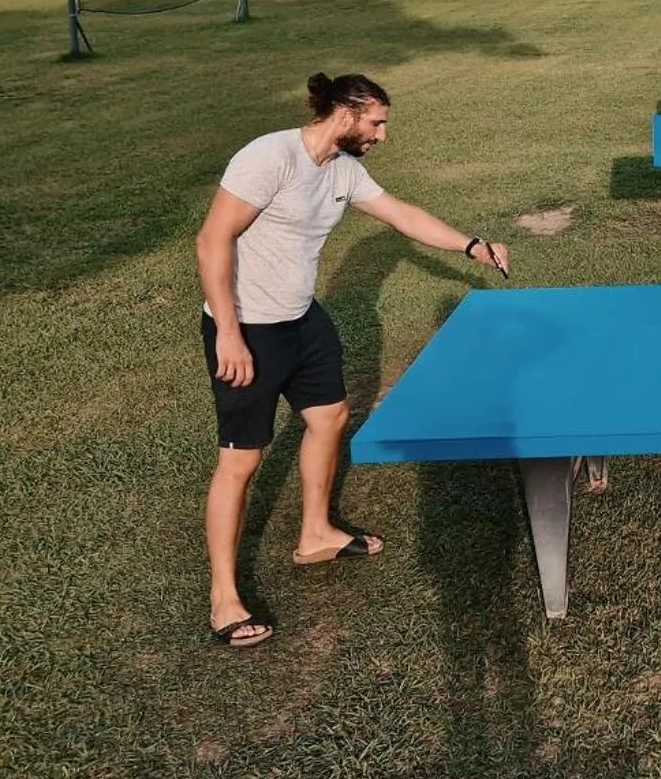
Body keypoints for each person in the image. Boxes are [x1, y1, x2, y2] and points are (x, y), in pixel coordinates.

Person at [197, 72, 510, 647]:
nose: (383, 135)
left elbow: (400, 214)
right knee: (242, 460)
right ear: (345, 113)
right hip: (247, 328)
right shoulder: (269, 158)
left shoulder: (341, 170)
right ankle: (223, 598)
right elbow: (212, 239)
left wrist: (471, 246)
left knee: (331, 416)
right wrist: (228, 334)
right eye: (377, 122)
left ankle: (315, 533)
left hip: (301, 319)